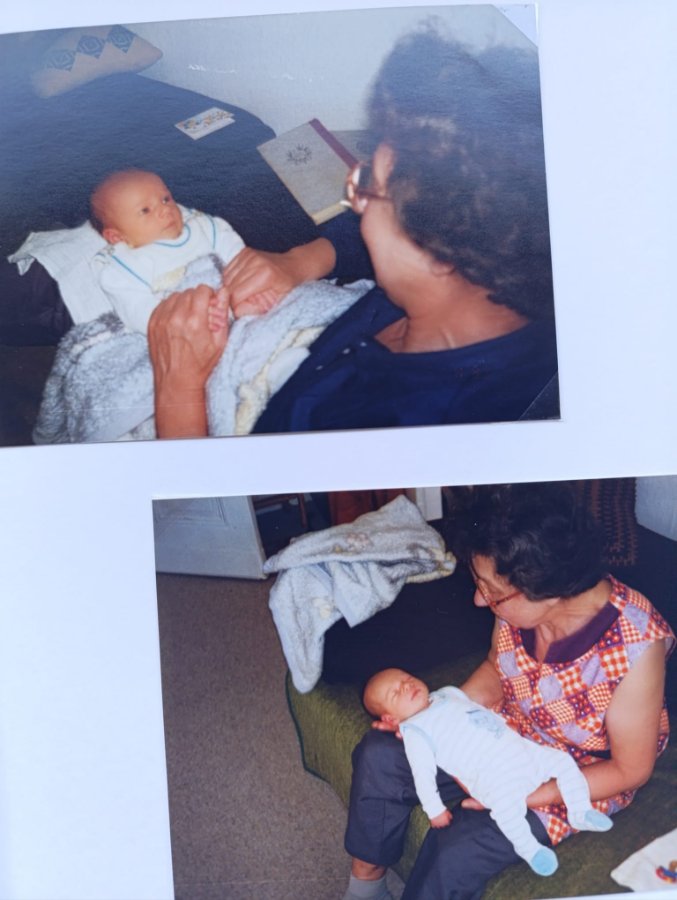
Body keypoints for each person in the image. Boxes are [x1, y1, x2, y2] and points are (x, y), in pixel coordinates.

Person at [147, 27, 559, 438]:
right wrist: (302, 260)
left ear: (437, 250)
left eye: (367, 185)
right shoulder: (486, 273)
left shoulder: (391, 427)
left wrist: (178, 384)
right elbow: (362, 243)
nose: (355, 202)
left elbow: (215, 483)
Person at [342, 482, 675, 900]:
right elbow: (495, 669)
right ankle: (366, 886)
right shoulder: (520, 606)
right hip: (500, 732)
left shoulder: (636, 645)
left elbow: (630, 770)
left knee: (458, 848)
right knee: (381, 753)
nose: (480, 602)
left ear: (547, 591)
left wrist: (532, 795)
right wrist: (438, 717)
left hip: (571, 770)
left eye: (492, 593)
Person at [363, 668, 612, 879]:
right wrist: (435, 809)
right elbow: (422, 774)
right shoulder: (415, 732)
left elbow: (474, 710)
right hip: (494, 777)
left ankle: (579, 810)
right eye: (396, 693)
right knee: (507, 812)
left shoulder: (447, 694)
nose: (407, 686)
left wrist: (503, 722)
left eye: (407, 679)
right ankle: (531, 850)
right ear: (390, 718)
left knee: (564, 762)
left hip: (523, 751)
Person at [90, 169, 244, 333]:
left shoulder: (204, 229)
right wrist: (185, 321)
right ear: (117, 237)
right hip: (188, 331)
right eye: (145, 210)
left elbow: (242, 262)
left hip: (239, 309)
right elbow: (138, 312)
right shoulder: (125, 267)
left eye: (165, 199)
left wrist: (244, 292)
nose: (165, 209)